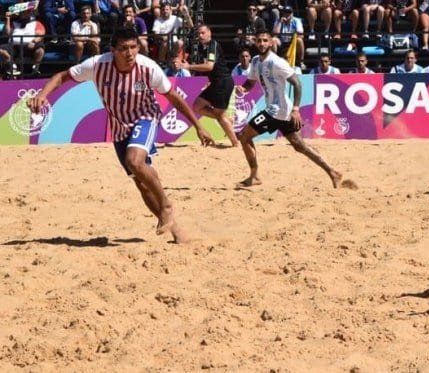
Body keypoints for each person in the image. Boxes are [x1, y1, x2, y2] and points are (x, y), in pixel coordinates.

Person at [27, 27, 214, 243]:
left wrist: (197, 126)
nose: (130, 53)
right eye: (124, 48)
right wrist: (42, 95)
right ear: (113, 50)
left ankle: (166, 205)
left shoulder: (148, 67)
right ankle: (176, 229)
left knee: (134, 161)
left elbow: (172, 96)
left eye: (133, 47)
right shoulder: (97, 65)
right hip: (118, 126)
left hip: (145, 117)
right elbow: (61, 76)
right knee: (140, 182)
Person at [235, 30, 352, 189]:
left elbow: (296, 82)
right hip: (281, 111)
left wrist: (296, 109)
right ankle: (333, 172)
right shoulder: (255, 61)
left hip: (277, 111)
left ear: (271, 43)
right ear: (255, 42)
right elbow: (250, 83)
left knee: (244, 136)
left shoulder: (277, 62)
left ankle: (254, 176)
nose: (262, 43)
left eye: (265, 40)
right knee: (300, 146)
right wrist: (243, 88)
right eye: (259, 41)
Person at [179, 25, 241, 147]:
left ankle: (235, 143)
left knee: (220, 114)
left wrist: (189, 67)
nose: (200, 36)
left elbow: (209, 66)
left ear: (209, 33)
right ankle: (227, 121)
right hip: (216, 82)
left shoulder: (213, 45)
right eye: (199, 34)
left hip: (223, 82)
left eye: (203, 33)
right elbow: (212, 69)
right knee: (197, 106)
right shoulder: (205, 48)